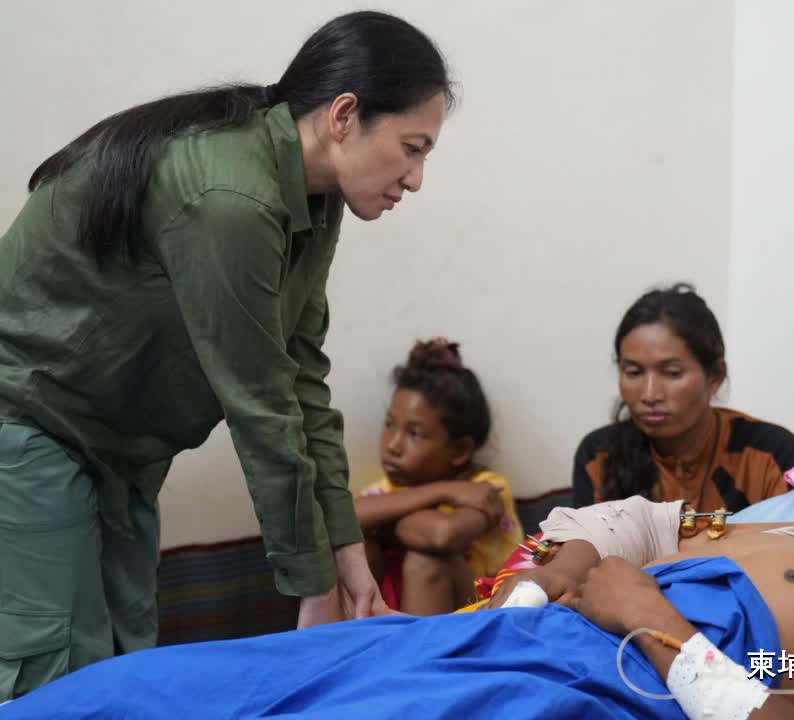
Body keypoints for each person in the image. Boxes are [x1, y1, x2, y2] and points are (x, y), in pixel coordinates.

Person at [1, 424, 794, 720]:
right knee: (145, 688)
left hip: (593, 685)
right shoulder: (793, 528)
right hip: (488, 637)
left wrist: (651, 619)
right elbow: (618, 533)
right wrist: (572, 567)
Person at [0, 10, 454, 698]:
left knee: (125, 663)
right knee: (55, 677)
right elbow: (260, 405)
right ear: (343, 116)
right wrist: (313, 589)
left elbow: (301, 380)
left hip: (119, 449)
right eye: (412, 148)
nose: (415, 179)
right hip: (29, 420)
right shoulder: (231, 197)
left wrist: (349, 558)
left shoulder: (317, 197)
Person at [573, 283, 794, 514]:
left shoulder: (769, 453)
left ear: (715, 376)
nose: (650, 395)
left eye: (672, 373)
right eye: (634, 372)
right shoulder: (598, 456)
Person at [353, 339, 523, 615]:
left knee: (428, 561)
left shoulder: (485, 489)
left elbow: (442, 535)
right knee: (356, 547)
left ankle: (417, 646)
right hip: (394, 616)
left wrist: (384, 522)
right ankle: (359, 638)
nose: (392, 445)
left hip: (481, 615)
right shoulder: (387, 489)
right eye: (389, 425)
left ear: (460, 450)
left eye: (415, 433)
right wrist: (443, 491)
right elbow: (345, 520)